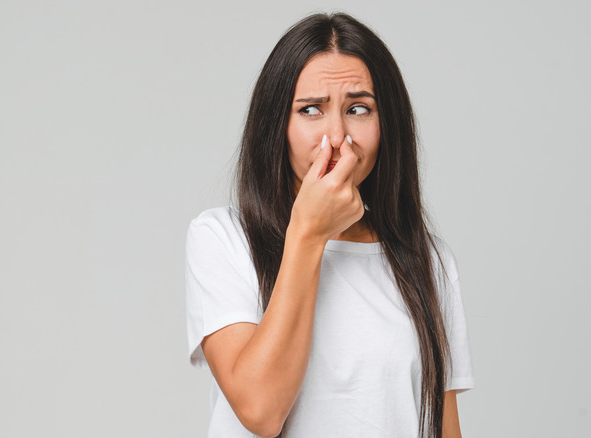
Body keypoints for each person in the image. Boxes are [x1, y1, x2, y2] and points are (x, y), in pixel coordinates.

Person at [184, 12, 475, 438]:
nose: (337, 136)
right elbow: (261, 411)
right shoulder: (223, 239)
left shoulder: (426, 260)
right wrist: (309, 232)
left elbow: (443, 426)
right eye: (310, 110)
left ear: (386, 124)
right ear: (276, 127)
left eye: (358, 108)